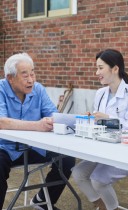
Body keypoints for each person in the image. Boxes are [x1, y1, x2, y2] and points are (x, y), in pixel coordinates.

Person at [0, 53, 76, 210]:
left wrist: (53, 120)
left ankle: (42, 201)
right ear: (10, 78)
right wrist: (37, 125)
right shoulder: (0, 89)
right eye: (25, 75)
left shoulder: (38, 90)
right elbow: (2, 122)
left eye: (32, 73)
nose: (31, 79)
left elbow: (53, 114)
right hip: (5, 148)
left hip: (34, 147)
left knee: (67, 159)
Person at [71, 49, 128, 210]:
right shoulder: (100, 93)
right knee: (78, 173)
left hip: (126, 152)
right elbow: (99, 124)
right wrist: (91, 118)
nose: (97, 72)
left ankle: (111, 207)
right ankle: (103, 205)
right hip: (103, 149)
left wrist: (109, 119)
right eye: (96, 68)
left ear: (115, 69)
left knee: (98, 180)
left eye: (100, 68)